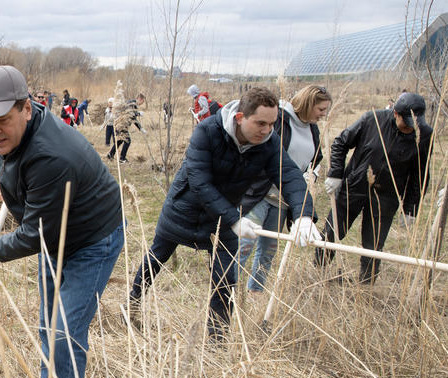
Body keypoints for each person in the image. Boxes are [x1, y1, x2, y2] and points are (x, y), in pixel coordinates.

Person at [0, 66, 124, 378]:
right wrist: (10, 187)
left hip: (92, 239)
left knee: (64, 334)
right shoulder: (13, 130)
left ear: (26, 108)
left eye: (1, 121)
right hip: (57, 229)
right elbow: (11, 161)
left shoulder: (52, 157)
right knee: (47, 323)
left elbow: (33, 236)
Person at [129, 87, 319, 340]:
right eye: (260, 123)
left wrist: (304, 216)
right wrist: (234, 220)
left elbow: (291, 176)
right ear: (240, 118)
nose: (267, 130)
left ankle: (217, 340)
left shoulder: (269, 142)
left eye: (272, 123)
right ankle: (132, 304)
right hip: (183, 210)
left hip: (225, 218)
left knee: (225, 280)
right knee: (156, 258)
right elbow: (199, 183)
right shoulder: (207, 131)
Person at [315, 91, 432, 283]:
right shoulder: (372, 119)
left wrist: (411, 208)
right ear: (396, 113)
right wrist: (336, 173)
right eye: (406, 123)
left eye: (415, 124)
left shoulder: (424, 134)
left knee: (374, 245)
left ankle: (366, 287)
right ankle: (317, 272)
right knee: (331, 232)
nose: (410, 129)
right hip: (353, 187)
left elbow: (421, 174)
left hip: (386, 196)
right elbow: (341, 142)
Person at [237, 85, 332, 293]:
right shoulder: (280, 120)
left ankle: (256, 292)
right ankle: (227, 290)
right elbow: (262, 149)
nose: (324, 114)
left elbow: (316, 157)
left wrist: (311, 172)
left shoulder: (312, 129)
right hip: (260, 194)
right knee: (243, 245)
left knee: (269, 249)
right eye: (321, 109)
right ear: (308, 104)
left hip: (282, 200)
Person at [106, 93, 145, 164]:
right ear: (140, 99)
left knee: (120, 140)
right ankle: (122, 158)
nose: (142, 104)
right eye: (143, 102)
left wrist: (140, 128)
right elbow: (130, 113)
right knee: (127, 141)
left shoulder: (133, 104)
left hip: (122, 125)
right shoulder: (131, 103)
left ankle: (110, 154)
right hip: (121, 125)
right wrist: (138, 113)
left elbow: (133, 119)